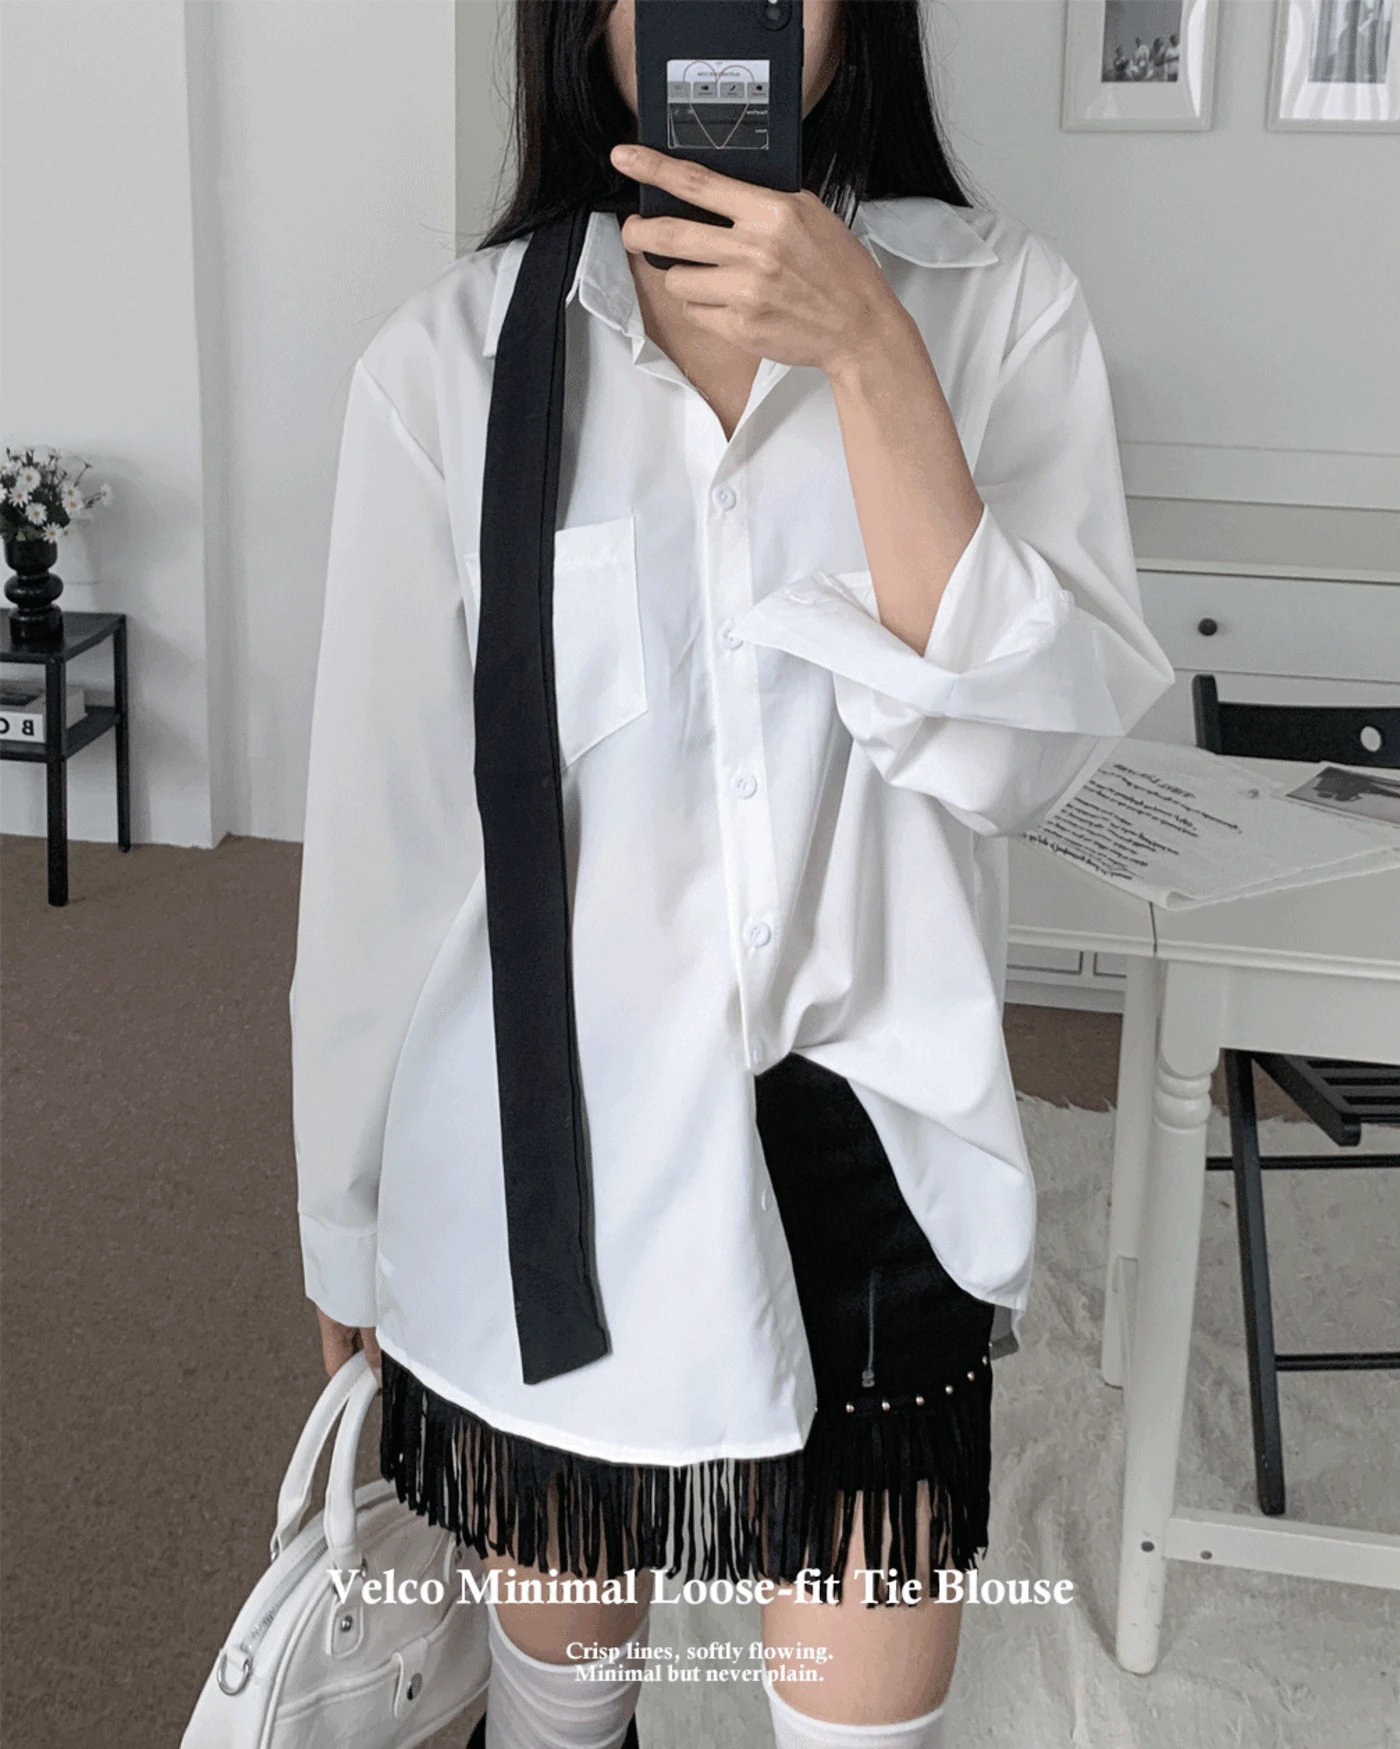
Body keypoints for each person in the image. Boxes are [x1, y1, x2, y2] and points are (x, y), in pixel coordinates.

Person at [288, 3, 1175, 1746]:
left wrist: (871, 355)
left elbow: (1022, 765)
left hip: (879, 1127)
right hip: (547, 1141)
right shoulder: (447, 364)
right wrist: (344, 1219)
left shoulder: (998, 311)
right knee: (562, 1713)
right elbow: (386, 842)